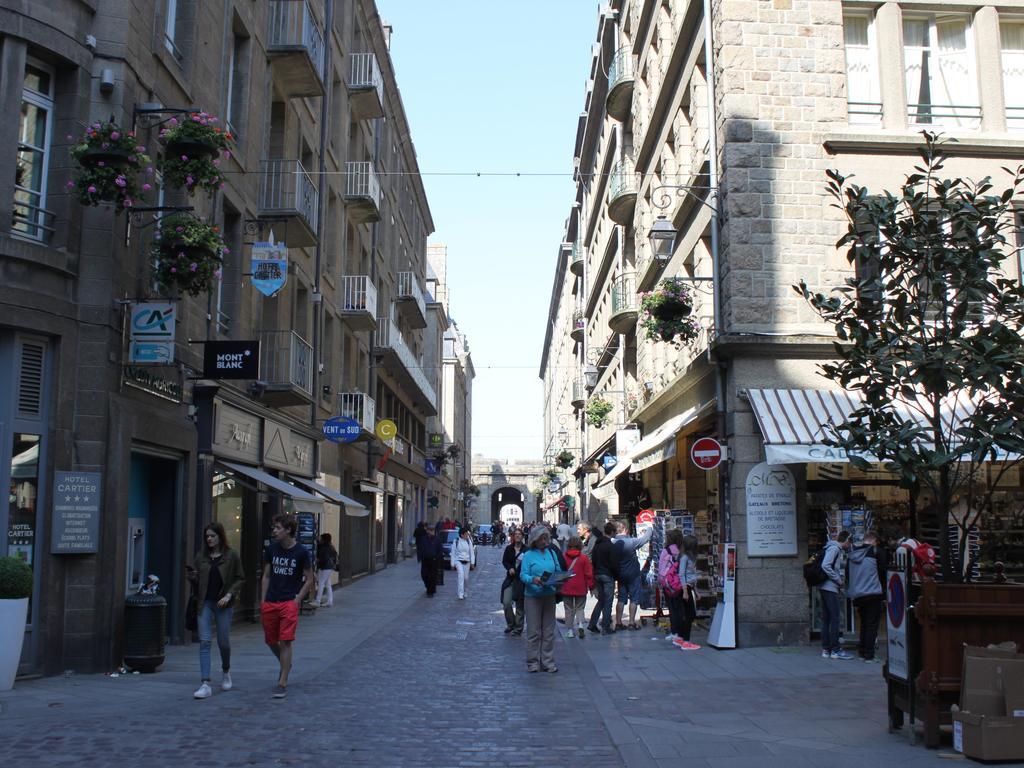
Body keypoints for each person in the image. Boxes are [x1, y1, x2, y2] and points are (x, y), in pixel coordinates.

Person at [188, 522, 244, 700]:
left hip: (223, 604)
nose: (209, 539)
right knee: (204, 642)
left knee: (223, 642)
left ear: (220, 536)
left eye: (212, 536)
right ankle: (205, 683)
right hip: (204, 603)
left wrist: (229, 595)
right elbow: (197, 583)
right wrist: (193, 578)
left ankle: (226, 670)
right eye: (207, 536)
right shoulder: (201, 556)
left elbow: (240, 578)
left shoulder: (231, 556)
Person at [261, 514, 314, 698]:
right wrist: (262, 600)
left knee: (285, 640)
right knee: (270, 640)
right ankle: (286, 664)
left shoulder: (301, 552)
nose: (274, 531)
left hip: (288, 602)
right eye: (274, 528)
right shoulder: (272, 549)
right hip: (271, 601)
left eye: (277, 528)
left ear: (288, 529)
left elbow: (309, 578)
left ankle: (282, 681)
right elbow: (266, 575)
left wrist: (298, 599)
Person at [520, 526, 563, 672]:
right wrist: (534, 579)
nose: (545, 541)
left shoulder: (551, 553)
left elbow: (557, 570)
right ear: (535, 540)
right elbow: (523, 575)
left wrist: (560, 579)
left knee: (549, 631)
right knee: (533, 631)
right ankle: (533, 662)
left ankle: (548, 661)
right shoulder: (528, 555)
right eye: (542, 539)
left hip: (549, 595)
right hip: (533, 596)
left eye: (546, 538)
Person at [847, 530, 886, 662]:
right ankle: (869, 654)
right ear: (874, 541)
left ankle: (862, 652)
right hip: (873, 592)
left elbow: (848, 574)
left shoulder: (852, 554)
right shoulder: (877, 552)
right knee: (871, 625)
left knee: (863, 623)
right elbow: (883, 573)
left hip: (858, 594)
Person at [613, 520, 653, 630]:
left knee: (621, 599)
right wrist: (649, 527)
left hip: (620, 575)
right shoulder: (631, 542)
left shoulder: (613, 542)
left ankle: (618, 622)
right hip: (633, 575)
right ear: (625, 530)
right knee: (634, 599)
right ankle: (631, 622)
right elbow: (645, 538)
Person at [820, 530, 854, 660]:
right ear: (846, 540)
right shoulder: (835, 549)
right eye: (849, 542)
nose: (849, 545)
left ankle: (826, 649)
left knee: (827, 618)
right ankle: (835, 649)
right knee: (834, 618)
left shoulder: (831, 547)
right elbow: (826, 566)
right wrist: (838, 580)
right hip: (830, 588)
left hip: (825, 587)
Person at [587, 522, 619, 635]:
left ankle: (592, 624)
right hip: (607, 575)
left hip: (598, 574)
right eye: (615, 532)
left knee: (601, 600)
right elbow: (614, 563)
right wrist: (615, 575)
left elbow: (593, 560)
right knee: (608, 602)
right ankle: (605, 626)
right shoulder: (610, 546)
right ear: (612, 532)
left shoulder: (597, 544)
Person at [560, 536, 594, 639]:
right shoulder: (584, 558)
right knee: (580, 608)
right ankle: (580, 625)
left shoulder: (563, 557)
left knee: (568, 609)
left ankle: (570, 631)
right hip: (581, 586)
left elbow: (560, 572)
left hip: (567, 586)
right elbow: (588, 573)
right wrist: (591, 586)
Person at [671, 535, 701, 650]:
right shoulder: (684, 558)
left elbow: (693, 576)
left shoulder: (692, 557)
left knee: (689, 615)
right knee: (689, 615)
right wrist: (685, 591)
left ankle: (681, 639)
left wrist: (696, 591)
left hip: (690, 588)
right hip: (686, 588)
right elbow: (681, 574)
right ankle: (686, 641)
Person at [501, 528, 527, 634]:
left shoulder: (527, 550)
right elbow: (505, 561)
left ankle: (518, 628)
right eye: (515, 534)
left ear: (522, 536)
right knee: (506, 602)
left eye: (519, 534)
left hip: (521, 580)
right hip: (511, 579)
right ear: (513, 536)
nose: (517, 536)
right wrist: (509, 568)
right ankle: (511, 624)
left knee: (520, 605)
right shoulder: (509, 549)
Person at [416, 524, 443, 597]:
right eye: (430, 530)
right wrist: (419, 557)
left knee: (432, 576)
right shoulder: (423, 538)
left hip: (434, 560)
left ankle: (430, 591)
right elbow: (420, 548)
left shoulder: (437, 539)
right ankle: (428, 586)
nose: (431, 531)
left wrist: (437, 558)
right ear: (427, 531)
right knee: (424, 575)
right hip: (425, 560)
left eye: (433, 530)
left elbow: (440, 550)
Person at [451, 525, 476, 600]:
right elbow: (453, 553)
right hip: (458, 561)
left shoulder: (469, 541)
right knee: (461, 576)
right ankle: (460, 594)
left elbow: (472, 552)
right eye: (466, 534)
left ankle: (465, 591)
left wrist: (472, 563)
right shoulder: (456, 541)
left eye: (467, 534)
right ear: (462, 534)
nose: (467, 535)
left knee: (466, 578)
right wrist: (452, 564)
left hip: (467, 562)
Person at [314, 533, 338, 608]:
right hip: (329, 567)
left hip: (326, 567)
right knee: (328, 584)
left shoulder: (325, 547)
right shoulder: (330, 546)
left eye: (321, 538)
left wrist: (318, 561)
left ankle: (318, 601)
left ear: (324, 539)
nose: (319, 539)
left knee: (321, 583)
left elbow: (323, 558)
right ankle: (329, 601)